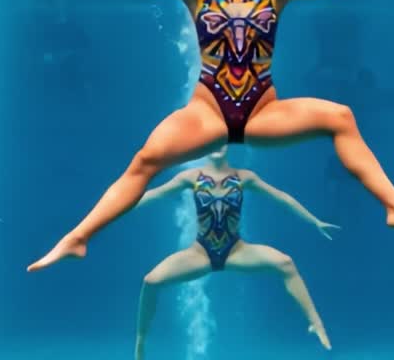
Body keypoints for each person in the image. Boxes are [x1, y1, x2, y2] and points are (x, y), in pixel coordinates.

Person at [13, 0, 394, 271]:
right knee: (145, 161)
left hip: (264, 111)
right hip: (207, 110)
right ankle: (78, 237)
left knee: (340, 117)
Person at [132, 145, 335, 359]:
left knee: (285, 263)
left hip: (236, 251)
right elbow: (152, 195)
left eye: (222, 141)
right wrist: (110, 210)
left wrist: (315, 222)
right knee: (151, 281)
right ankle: (140, 341)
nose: (218, 146)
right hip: (201, 253)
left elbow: (282, 197)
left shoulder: (244, 177)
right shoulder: (190, 177)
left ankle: (316, 323)